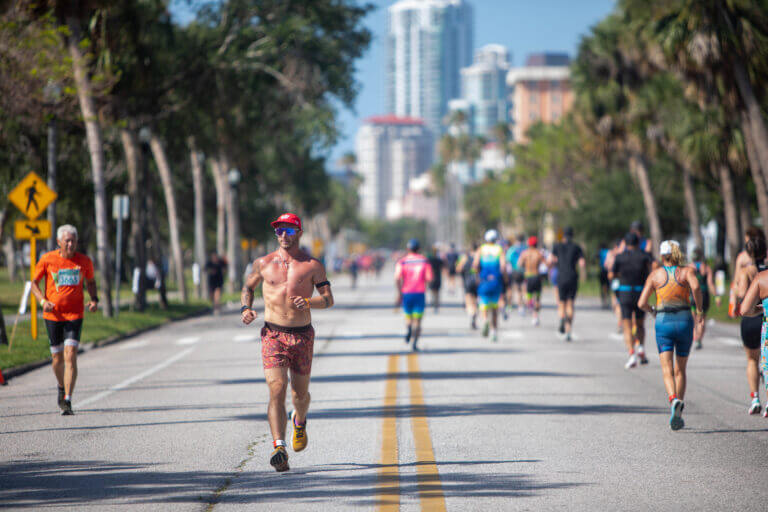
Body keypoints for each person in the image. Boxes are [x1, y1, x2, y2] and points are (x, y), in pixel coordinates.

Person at [240, 213, 334, 472]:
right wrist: (245, 309)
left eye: (289, 230)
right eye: (279, 230)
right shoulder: (263, 263)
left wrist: (309, 302)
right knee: (277, 388)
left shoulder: (312, 265)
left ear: (299, 233)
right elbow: (248, 288)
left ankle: (299, 420)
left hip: (302, 335)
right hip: (273, 334)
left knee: (299, 394)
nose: (283, 235)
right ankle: (279, 446)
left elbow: (328, 299)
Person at [30, 225, 98, 416]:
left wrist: (94, 300)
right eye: (67, 241)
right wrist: (43, 301)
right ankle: (61, 385)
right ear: (59, 242)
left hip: (75, 315)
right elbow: (34, 283)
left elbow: (91, 282)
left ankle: (67, 399)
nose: (70, 244)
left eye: (73, 241)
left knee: (70, 354)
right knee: (57, 358)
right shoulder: (48, 259)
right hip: (53, 316)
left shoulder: (84, 261)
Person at [638, 240, 704, 431]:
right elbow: (697, 288)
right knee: (680, 370)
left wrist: (652, 310)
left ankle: (673, 399)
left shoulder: (655, 275)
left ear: (662, 255)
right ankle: (679, 408)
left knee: (667, 369)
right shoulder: (686, 272)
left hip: (663, 323)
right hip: (684, 322)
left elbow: (642, 302)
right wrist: (699, 309)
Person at [733, 235, 767, 415]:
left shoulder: (747, 272)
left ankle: (755, 398)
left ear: (749, 252)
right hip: (766, 316)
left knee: (752, 360)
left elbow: (742, 295)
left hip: (750, 319)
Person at [611, 232, 653, 368]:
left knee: (627, 326)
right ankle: (640, 346)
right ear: (637, 243)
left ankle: (631, 354)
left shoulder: (620, 257)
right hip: (640, 293)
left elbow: (611, 274)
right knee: (640, 324)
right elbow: (654, 266)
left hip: (625, 293)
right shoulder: (644, 256)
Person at [395, 239, 434, 352]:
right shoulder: (424, 261)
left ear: (408, 249)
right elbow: (429, 278)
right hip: (420, 293)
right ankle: (415, 343)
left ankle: (408, 329)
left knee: (408, 317)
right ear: (419, 249)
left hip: (406, 293)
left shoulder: (402, 261)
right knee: (418, 320)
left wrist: (399, 292)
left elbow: (397, 278)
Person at [550, 227, 586, 342]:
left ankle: (561, 318)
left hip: (561, 277)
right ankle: (568, 330)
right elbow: (582, 263)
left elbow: (551, 260)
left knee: (561, 303)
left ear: (563, 236)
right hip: (572, 277)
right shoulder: (577, 247)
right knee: (570, 304)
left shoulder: (557, 246)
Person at [473, 230, 505, 341]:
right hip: (496, 281)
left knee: (484, 305)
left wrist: (478, 276)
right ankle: (494, 332)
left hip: (484, 281)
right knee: (495, 308)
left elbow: (475, 265)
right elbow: (503, 266)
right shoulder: (499, 249)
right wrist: (504, 279)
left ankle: (485, 320)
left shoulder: (481, 249)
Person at [689, 247, 717, 350]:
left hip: (692, 295)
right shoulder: (706, 268)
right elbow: (710, 283)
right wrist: (716, 296)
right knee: (702, 319)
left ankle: (695, 336)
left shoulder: (689, 267)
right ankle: (699, 339)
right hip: (704, 295)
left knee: (694, 319)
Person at [458, 244, 479, 329]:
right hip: (478, 281)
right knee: (476, 301)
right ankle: (475, 314)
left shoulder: (465, 257)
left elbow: (458, 269)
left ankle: (472, 314)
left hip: (468, 281)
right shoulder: (479, 257)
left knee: (469, 301)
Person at [506, 234, 527, 316]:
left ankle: (511, 305)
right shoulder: (526, 248)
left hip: (514, 271)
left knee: (514, 289)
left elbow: (507, 260)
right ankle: (521, 306)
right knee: (523, 289)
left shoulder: (512, 249)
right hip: (525, 271)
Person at [427, 245, 444, 313]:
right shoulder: (439, 260)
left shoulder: (429, 260)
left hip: (431, 277)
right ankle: (436, 304)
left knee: (432, 291)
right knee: (437, 292)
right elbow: (443, 266)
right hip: (438, 277)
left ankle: (433, 302)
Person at [598, 242, 611, 309]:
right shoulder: (609, 251)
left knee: (602, 287)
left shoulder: (600, 252)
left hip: (602, 271)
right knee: (608, 287)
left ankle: (603, 301)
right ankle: (608, 300)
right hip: (608, 271)